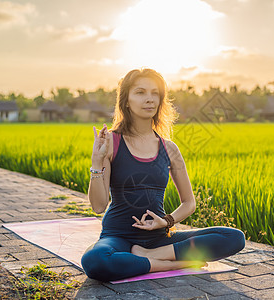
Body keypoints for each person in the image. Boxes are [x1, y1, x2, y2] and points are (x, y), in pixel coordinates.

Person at [81, 68, 245, 282]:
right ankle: (170, 264)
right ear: (126, 100)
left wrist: (166, 221)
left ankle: (149, 256)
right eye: (140, 92)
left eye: (155, 93)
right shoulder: (111, 143)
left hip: (160, 238)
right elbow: (98, 206)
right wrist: (96, 163)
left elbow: (189, 203)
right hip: (118, 237)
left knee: (233, 237)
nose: (149, 99)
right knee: (96, 261)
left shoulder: (169, 148)